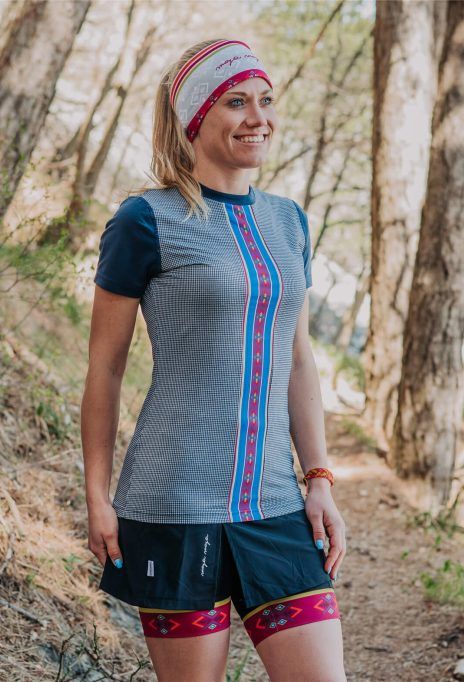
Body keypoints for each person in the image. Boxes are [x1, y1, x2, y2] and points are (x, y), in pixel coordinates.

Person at [81, 38, 347, 681]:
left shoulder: (289, 223)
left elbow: (299, 358)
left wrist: (318, 477)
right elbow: (105, 368)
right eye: (236, 102)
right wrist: (96, 494)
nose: (258, 117)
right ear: (196, 119)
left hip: (276, 506)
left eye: (265, 101)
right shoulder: (145, 221)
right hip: (175, 506)